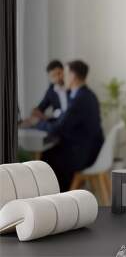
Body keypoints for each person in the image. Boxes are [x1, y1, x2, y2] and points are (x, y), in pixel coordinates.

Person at [37, 60, 104, 191]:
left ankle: (58, 197)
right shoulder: (87, 95)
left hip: (84, 154)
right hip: (90, 149)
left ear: (72, 76)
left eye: (65, 74)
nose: (63, 77)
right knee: (49, 153)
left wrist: (38, 123)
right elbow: (65, 121)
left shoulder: (79, 99)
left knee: (46, 158)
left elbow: (58, 128)